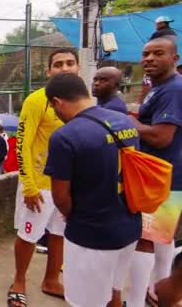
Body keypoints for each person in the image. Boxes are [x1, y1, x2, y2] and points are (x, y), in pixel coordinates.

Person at [44, 73, 142, 307]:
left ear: (57, 102)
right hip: (129, 227)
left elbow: (60, 197)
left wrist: (71, 216)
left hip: (92, 237)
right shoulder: (125, 121)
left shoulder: (64, 136)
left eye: (53, 108)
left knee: (85, 302)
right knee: (114, 292)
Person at [8, 48, 80, 306]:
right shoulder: (37, 100)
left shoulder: (83, 100)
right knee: (29, 235)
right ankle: (19, 280)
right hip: (39, 185)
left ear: (78, 68)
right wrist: (28, 185)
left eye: (70, 63)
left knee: (59, 234)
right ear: (49, 71)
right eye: (58, 64)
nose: (64, 68)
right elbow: (22, 145)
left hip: (68, 186)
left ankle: (51, 280)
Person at [127, 37, 182, 307]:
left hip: (162, 180)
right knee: (162, 239)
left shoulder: (173, 89)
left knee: (144, 241)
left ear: (175, 58)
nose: (148, 59)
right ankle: (159, 294)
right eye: (145, 54)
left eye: (158, 53)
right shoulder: (158, 88)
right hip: (165, 178)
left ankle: (135, 301)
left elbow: (161, 137)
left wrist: (130, 123)